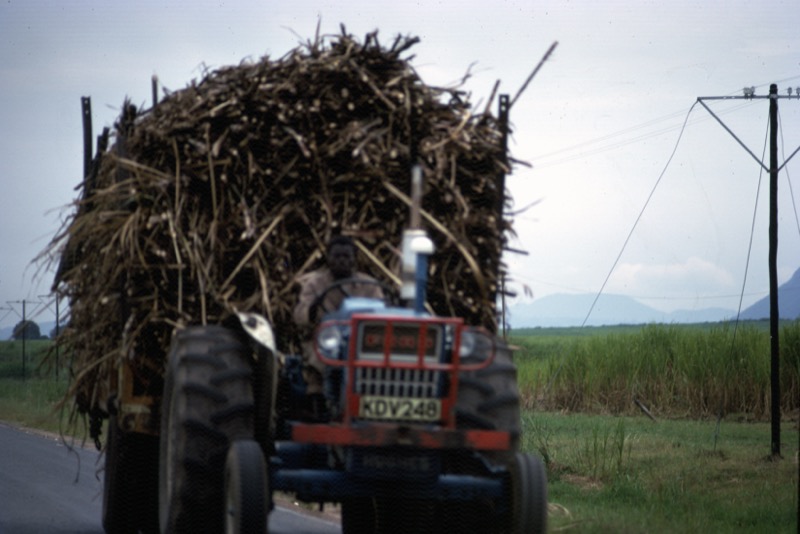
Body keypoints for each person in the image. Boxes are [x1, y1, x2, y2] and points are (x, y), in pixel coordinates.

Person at [293, 235, 384, 399]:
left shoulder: (369, 286)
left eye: (346, 256)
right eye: (337, 256)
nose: (341, 261)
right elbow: (300, 315)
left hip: (362, 341)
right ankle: (318, 394)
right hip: (324, 339)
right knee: (321, 359)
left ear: (354, 259)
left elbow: (382, 313)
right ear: (328, 258)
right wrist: (313, 307)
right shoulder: (314, 284)